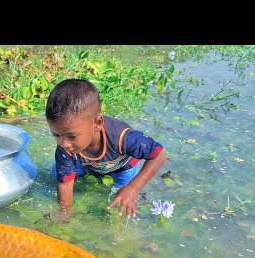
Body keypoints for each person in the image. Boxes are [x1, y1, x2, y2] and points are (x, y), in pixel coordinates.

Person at [46, 79, 166, 220]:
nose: (63, 143)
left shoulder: (122, 138)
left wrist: (133, 188)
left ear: (97, 124)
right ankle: (93, 173)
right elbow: (65, 185)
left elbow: (159, 155)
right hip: (90, 163)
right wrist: (63, 217)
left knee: (121, 202)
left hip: (122, 167)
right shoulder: (67, 144)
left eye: (71, 136)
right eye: (55, 135)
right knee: (56, 174)